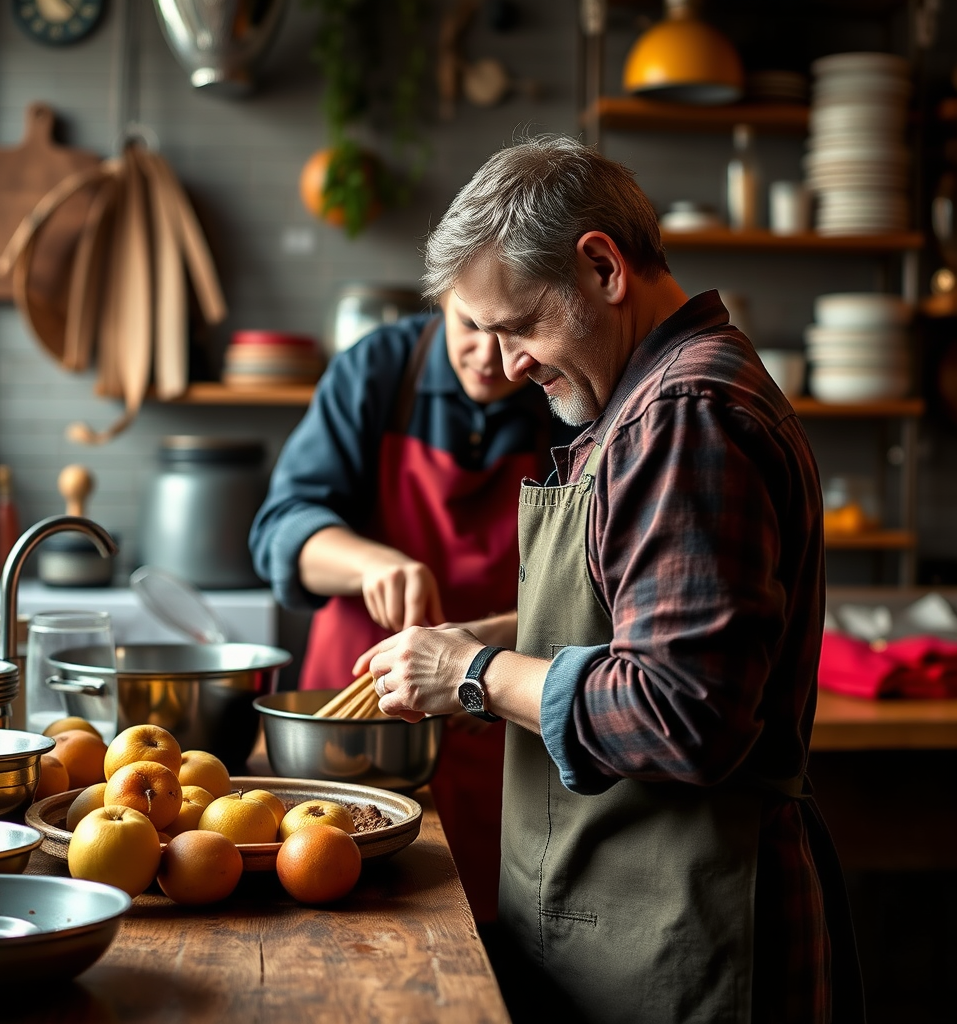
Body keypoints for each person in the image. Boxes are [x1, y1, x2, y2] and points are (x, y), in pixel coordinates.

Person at [356, 135, 864, 1024]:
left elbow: (683, 710)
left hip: (696, 934)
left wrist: (468, 678)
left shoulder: (684, 415)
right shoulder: (643, 400)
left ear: (601, 266)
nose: (509, 364)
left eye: (516, 326)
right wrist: (489, 636)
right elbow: (633, 621)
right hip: (640, 924)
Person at [249, 289, 572, 926]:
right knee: (331, 897)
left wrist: (496, 658)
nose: (490, 356)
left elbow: (582, 580)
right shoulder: (376, 371)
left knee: (488, 919)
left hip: (494, 708)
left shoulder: (561, 393)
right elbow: (279, 530)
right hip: (357, 715)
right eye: (470, 326)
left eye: (513, 332)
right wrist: (370, 563)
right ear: (442, 299)